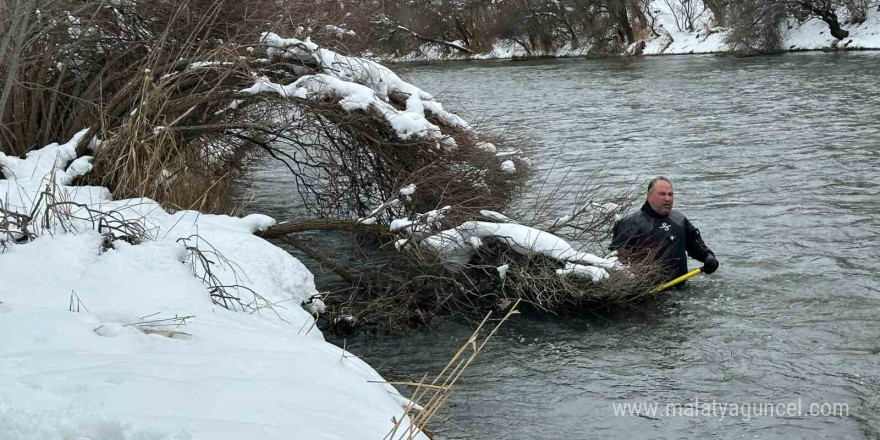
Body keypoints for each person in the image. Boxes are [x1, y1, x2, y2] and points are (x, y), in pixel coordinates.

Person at [609, 176, 718, 283]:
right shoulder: (629, 224)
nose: (667, 198)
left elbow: (695, 245)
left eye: (670, 194)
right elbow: (615, 262)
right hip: (649, 293)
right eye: (662, 194)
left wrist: (708, 257)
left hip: (682, 290)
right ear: (649, 196)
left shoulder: (680, 220)